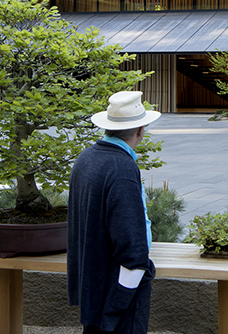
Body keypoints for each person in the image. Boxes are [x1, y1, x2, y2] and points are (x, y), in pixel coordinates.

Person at [68, 91, 160, 334]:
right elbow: (132, 247)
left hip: (93, 279)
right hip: (117, 286)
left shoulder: (85, 158)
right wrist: (123, 297)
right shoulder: (122, 168)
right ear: (140, 130)